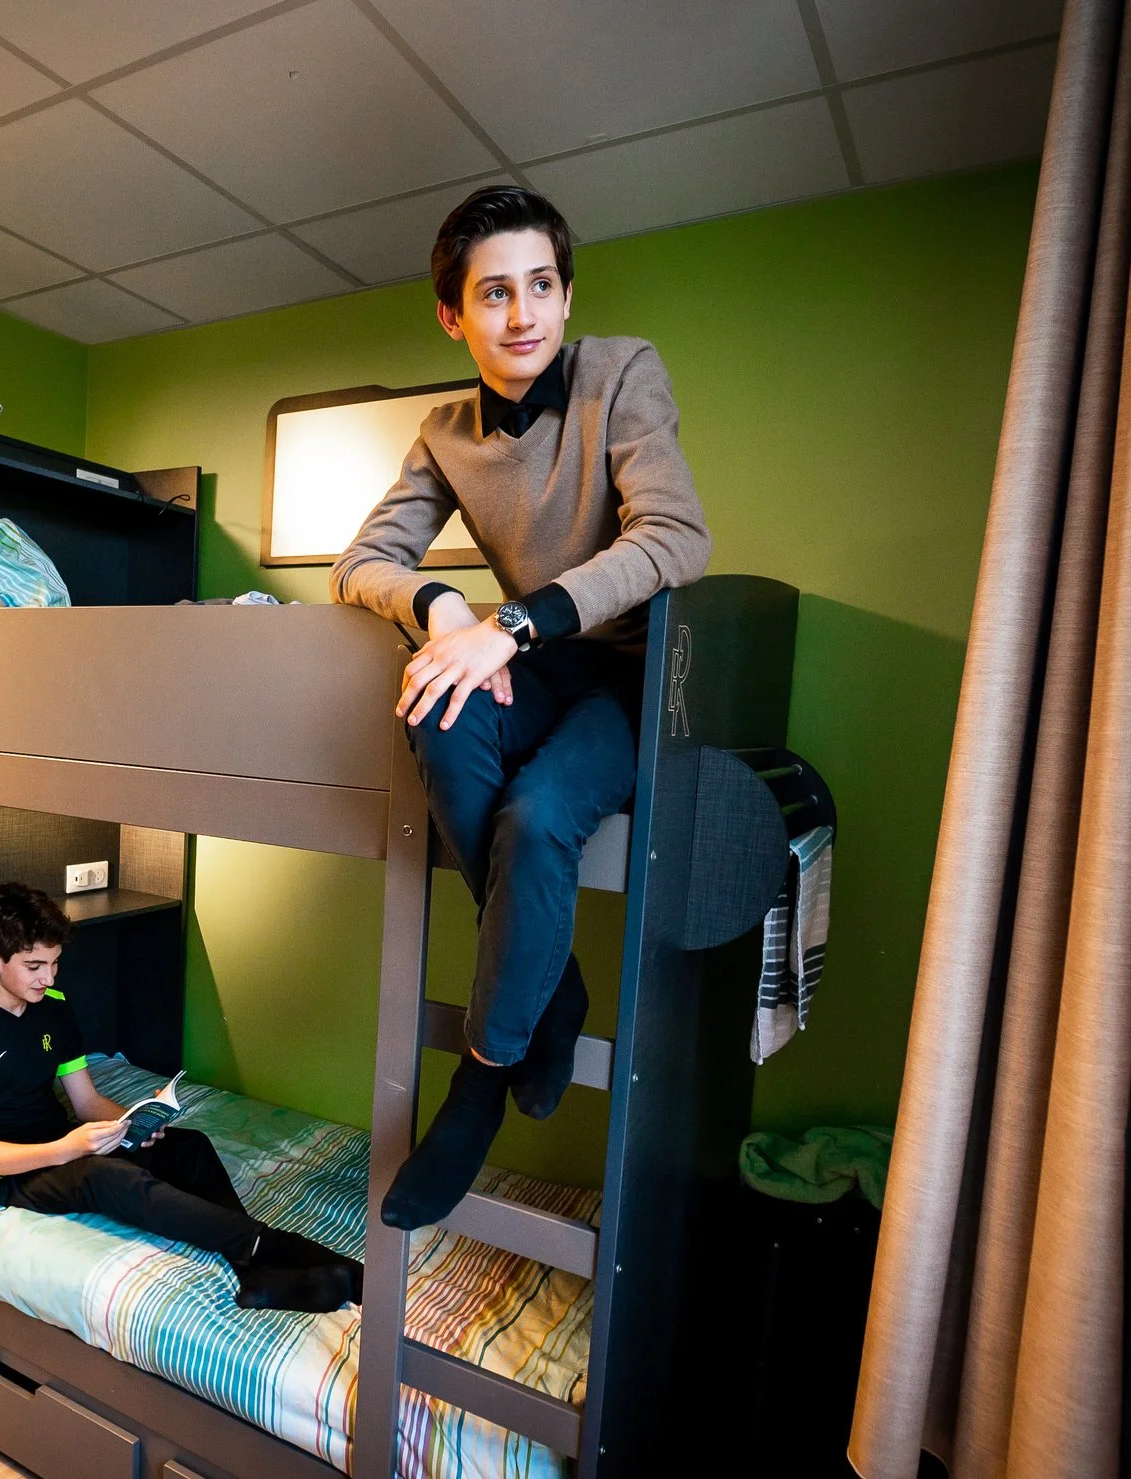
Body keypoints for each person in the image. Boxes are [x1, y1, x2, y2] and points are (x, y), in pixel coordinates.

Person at [330, 186, 711, 1229]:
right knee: (435, 708)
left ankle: (483, 1076)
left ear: (566, 291)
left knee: (537, 819)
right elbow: (361, 562)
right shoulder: (446, 432)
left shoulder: (619, 373)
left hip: (626, 680)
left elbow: (677, 538)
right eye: (493, 293)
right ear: (453, 316)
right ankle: (557, 983)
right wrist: (445, 604)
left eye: (541, 285)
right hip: (530, 664)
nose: (523, 314)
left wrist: (513, 625)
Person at [0, 881, 361, 1312]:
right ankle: (301, 1259)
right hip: (12, 1172)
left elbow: (87, 1104)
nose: (49, 977)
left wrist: (135, 1121)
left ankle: (254, 1275)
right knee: (112, 1178)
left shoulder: (54, 1007)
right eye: (35, 966)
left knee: (188, 1147)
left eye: (56, 963)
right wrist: (68, 1148)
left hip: (64, 1136)